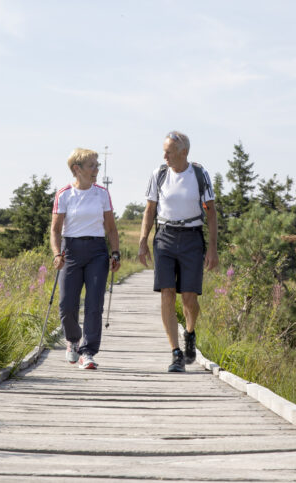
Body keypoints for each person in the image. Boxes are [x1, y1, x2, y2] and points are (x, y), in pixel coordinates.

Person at [137, 131, 218, 372]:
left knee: (189, 298)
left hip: (192, 237)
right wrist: (143, 240)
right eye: (164, 151)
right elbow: (149, 210)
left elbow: (211, 213)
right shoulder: (159, 174)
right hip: (165, 236)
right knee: (167, 293)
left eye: (169, 152)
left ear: (184, 153)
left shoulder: (200, 175)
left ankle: (190, 333)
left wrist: (212, 249)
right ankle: (176, 353)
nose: (165, 156)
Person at [51, 148, 121, 370]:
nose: (96, 170)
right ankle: (73, 340)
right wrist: (56, 253)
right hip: (70, 250)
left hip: (97, 251)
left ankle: (88, 352)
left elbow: (111, 229)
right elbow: (55, 230)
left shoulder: (101, 193)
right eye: (92, 166)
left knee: (94, 304)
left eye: (97, 165)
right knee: (66, 304)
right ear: (76, 169)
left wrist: (115, 253)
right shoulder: (64, 194)